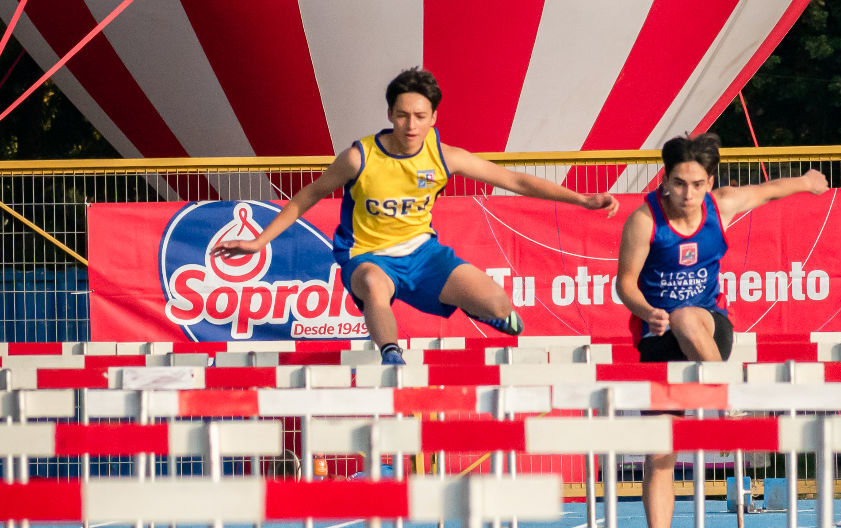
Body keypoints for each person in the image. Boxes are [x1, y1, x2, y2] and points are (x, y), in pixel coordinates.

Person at [211, 67, 619, 364]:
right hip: (366, 255)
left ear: (434, 118)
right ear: (390, 114)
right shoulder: (359, 157)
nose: (411, 125)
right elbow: (310, 194)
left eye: (420, 116)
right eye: (403, 115)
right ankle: (391, 357)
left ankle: (479, 308)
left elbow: (516, 181)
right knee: (373, 284)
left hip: (424, 254)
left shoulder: (445, 157)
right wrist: (258, 240)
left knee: (499, 306)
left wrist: (582, 199)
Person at [616, 133, 828, 528]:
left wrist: (810, 181)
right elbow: (624, 285)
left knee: (689, 315)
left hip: (711, 331)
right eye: (678, 184)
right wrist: (645, 309)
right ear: (665, 181)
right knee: (658, 454)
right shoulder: (643, 221)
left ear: (709, 182)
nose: (688, 195)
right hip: (657, 338)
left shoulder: (722, 205)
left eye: (696, 184)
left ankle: (725, 397)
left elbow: (772, 190)